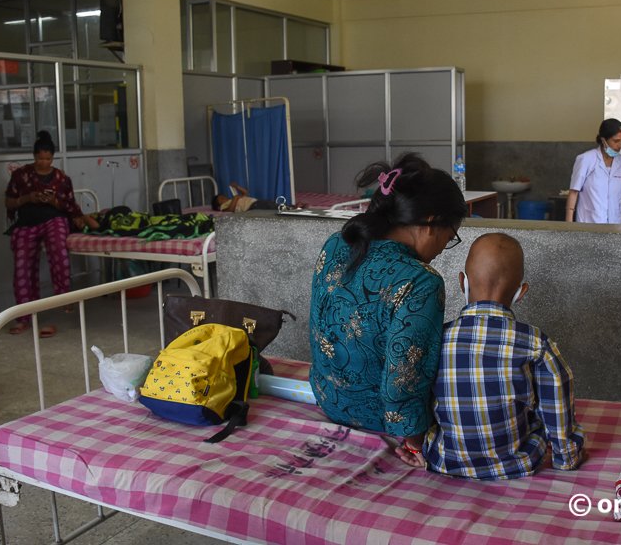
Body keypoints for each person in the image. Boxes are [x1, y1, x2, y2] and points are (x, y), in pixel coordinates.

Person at [309, 152, 467, 467]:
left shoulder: (336, 245)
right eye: (448, 238)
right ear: (431, 224)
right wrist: (416, 442)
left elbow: (320, 326)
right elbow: (404, 377)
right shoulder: (420, 280)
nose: (439, 251)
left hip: (328, 400)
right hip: (378, 419)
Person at [419, 233, 585, 479]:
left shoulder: (437, 337)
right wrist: (566, 458)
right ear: (521, 292)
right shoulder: (534, 342)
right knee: (539, 421)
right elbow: (557, 405)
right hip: (515, 463)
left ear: (462, 282)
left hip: (445, 461)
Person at [4, 131, 98, 336]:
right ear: (34, 156)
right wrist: (28, 198)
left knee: (60, 257)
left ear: (53, 158)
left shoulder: (61, 179)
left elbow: (69, 205)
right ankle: (24, 317)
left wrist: (54, 201)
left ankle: (62, 307)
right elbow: (9, 202)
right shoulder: (21, 176)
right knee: (22, 268)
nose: (44, 163)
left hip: (53, 220)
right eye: (40, 158)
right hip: (27, 222)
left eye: (48, 159)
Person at [565, 118, 621, 225]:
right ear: (603, 140)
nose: (619, 145)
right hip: (589, 224)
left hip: (614, 226)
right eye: (616, 141)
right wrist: (568, 225)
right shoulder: (586, 159)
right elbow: (574, 192)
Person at [212, 182, 278, 212]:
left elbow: (246, 193)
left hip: (255, 202)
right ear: (218, 205)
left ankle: (285, 208)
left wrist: (237, 187)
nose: (223, 197)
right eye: (220, 199)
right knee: (270, 207)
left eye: (223, 196)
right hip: (251, 207)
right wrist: (235, 198)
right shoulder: (224, 206)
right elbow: (230, 210)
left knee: (271, 204)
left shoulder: (233, 199)